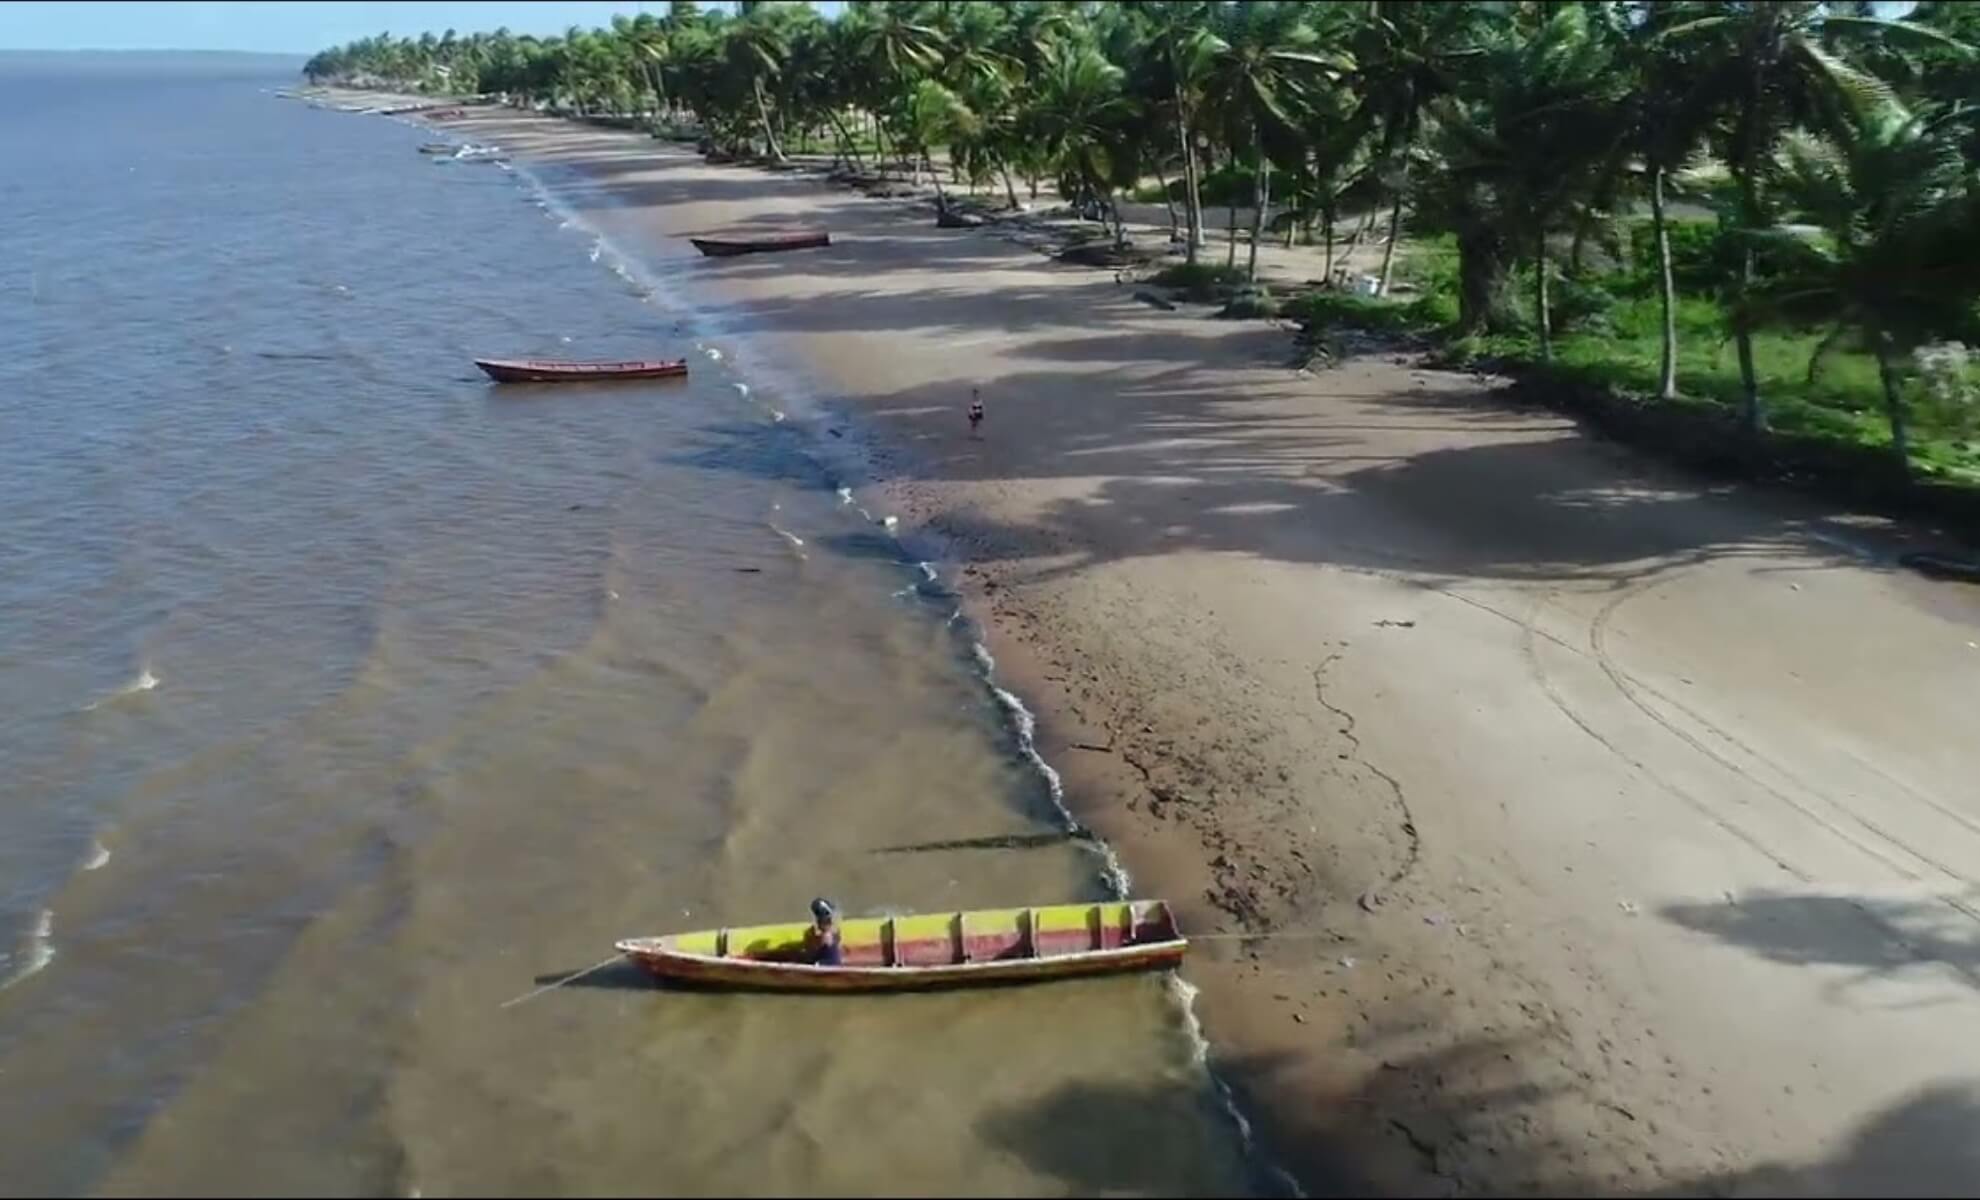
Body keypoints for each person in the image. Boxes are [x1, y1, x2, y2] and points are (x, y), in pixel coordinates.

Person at [804, 897, 843, 966]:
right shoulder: (834, 932)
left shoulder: (827, 935)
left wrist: (809, 937)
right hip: (830, 964)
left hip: (826, 966)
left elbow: (812, 950)